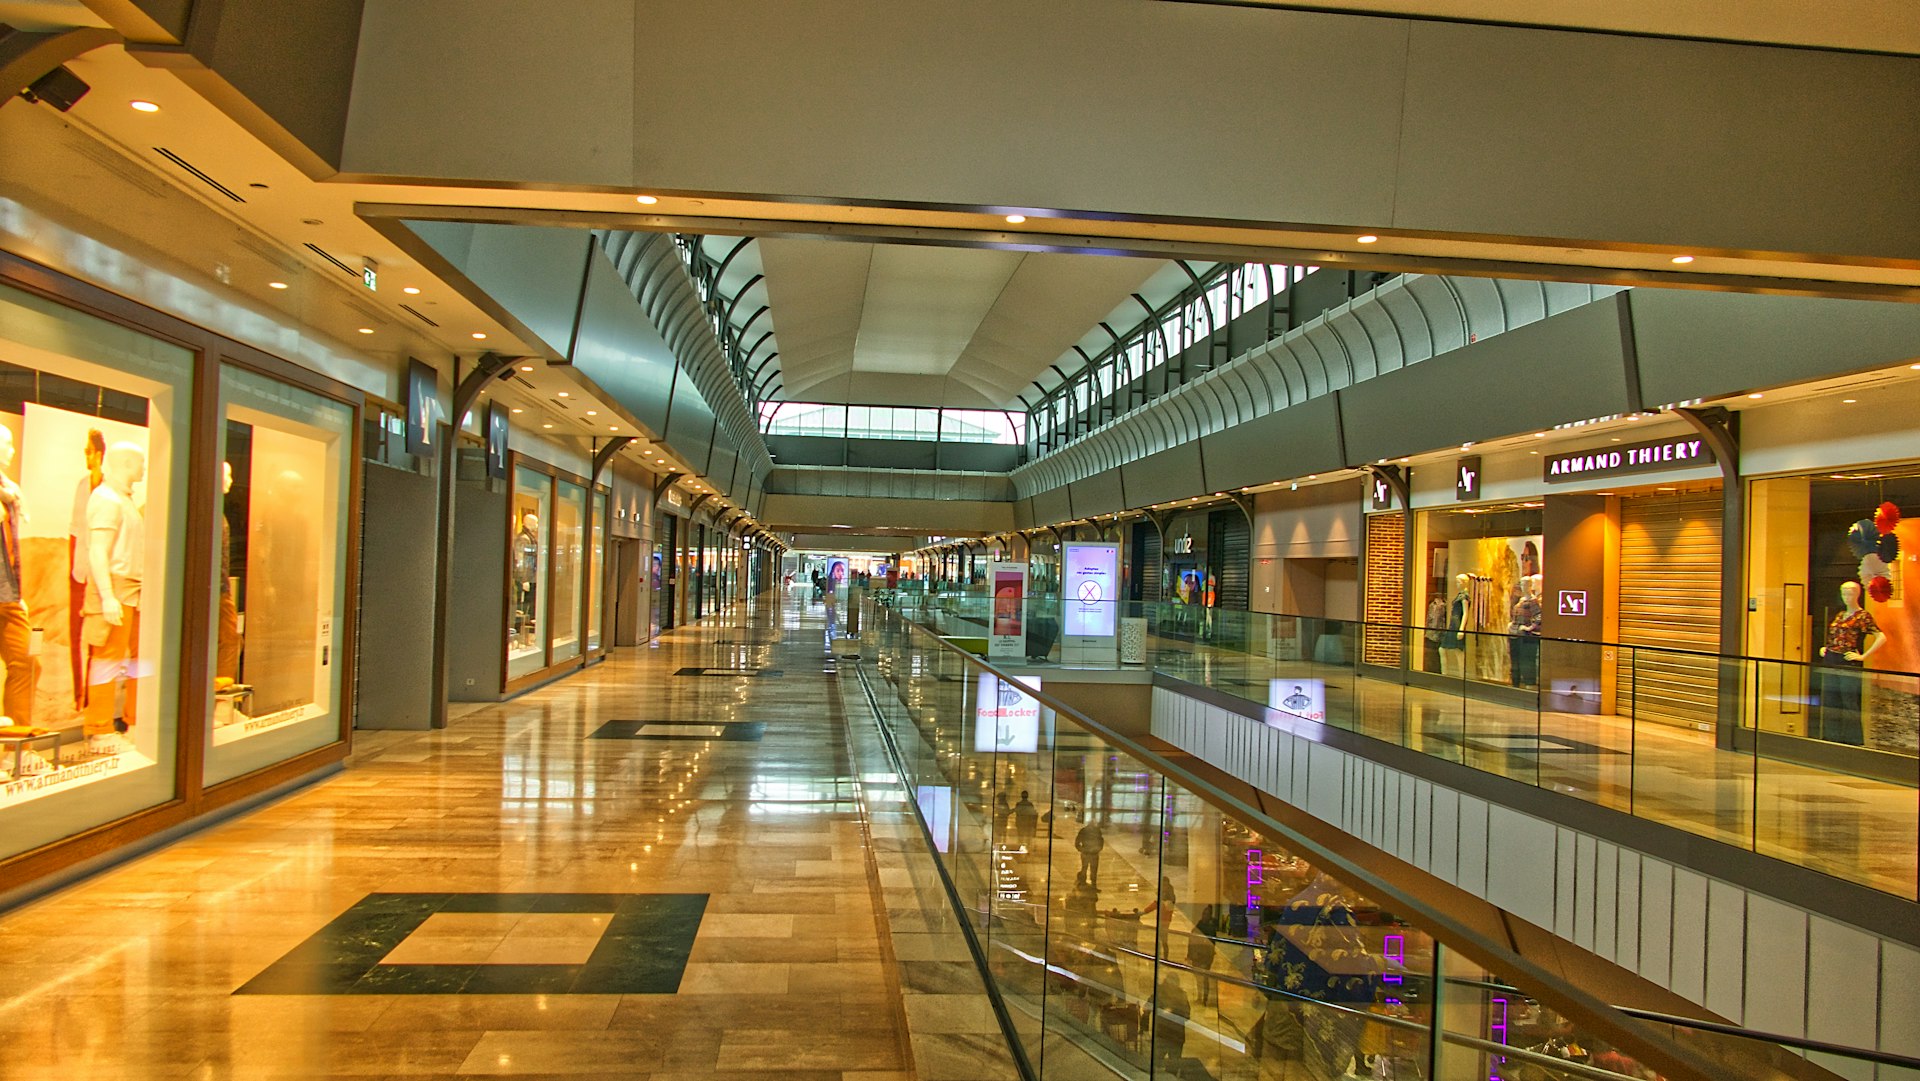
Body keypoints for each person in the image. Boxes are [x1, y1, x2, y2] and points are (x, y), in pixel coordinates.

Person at [1074, 817, 1105, 887]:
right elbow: (1101, 841)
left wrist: (1081, 849)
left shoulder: (1084, 830)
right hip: (1093, 853)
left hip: (1087, 852)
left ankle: (1083, 882)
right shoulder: (1097, 831)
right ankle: (1092, 883)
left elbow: (1077, 841)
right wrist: (1098, 849)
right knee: (1093, 869)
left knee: (1085, 867)